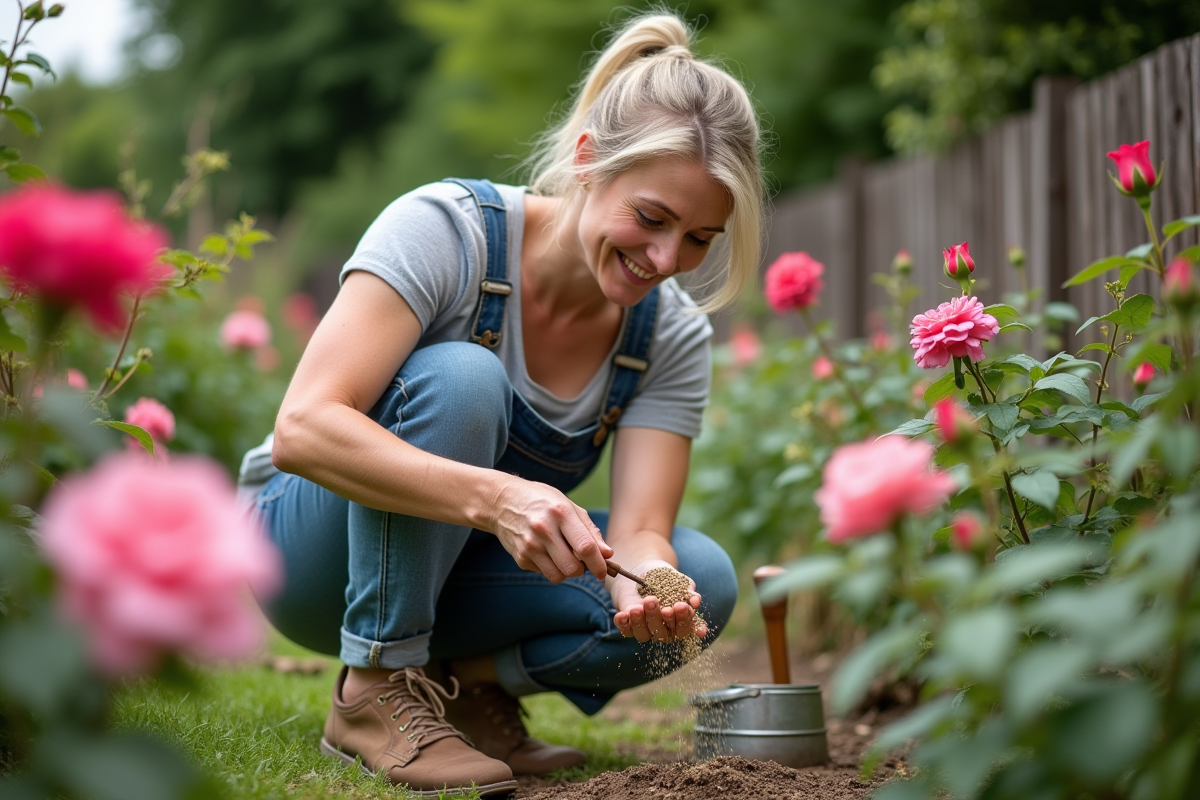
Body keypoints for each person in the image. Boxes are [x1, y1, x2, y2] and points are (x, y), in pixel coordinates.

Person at [238, 10, 765, 797]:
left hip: (456, 579)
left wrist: (646, 584)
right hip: (308, 547)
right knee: (462, 378)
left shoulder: (670, 334)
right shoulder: (446, 233)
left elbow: (644, 528)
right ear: (588, 160)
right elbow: (304, 430)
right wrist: (500, 499)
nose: (666, 260)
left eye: (698, 239)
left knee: (708, 582)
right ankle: (375, 688)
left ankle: (459, 687)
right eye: (652, 219)